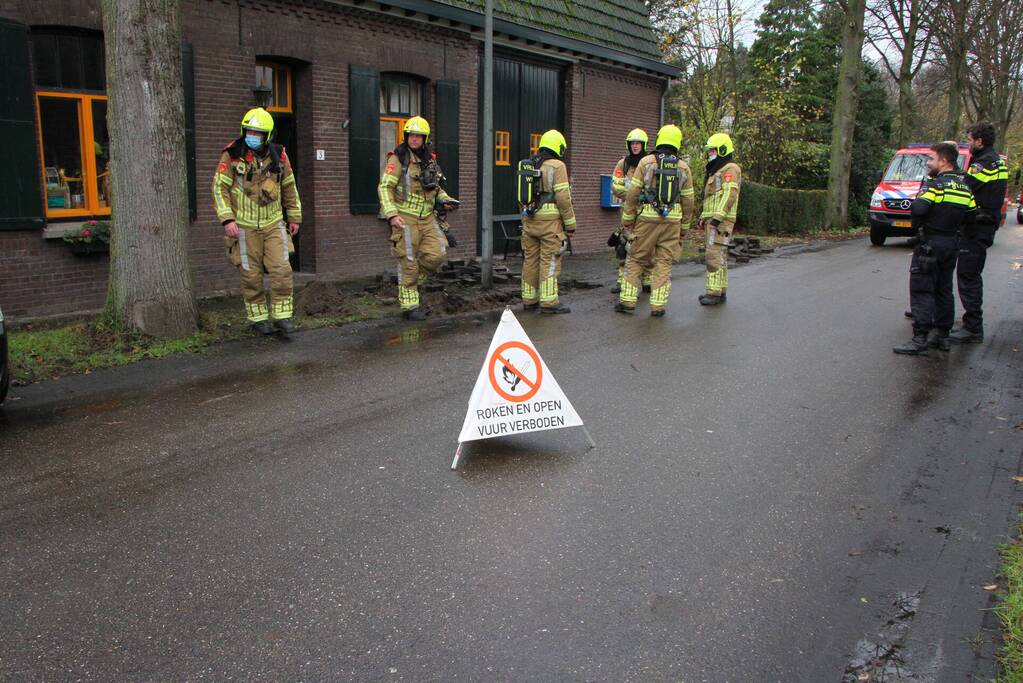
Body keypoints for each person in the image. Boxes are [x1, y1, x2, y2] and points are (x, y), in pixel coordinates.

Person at [213, 107, 302, 334]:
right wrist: (227, 220)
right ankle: (258, 320)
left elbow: (289, 187)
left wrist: (294, 216)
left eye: (258, 133)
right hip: (243, 226)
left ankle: (282, 317)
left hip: (274, 224)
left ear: (267, 136)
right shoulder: (232, 154)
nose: (252, 136)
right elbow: (219, 188)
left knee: (281, 269)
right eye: (249, 131)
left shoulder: (279, 156)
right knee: (250, 275)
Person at [894, 142, 977, 355]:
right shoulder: (964, 188)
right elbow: (972, 216)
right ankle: (942, 335)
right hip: (951, 244)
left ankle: (920, 338)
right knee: (944, 289)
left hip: (930, 244)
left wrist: (921, 220)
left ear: (944, 160)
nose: (928, 163)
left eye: (931, 159)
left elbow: (919, 208)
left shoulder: (936, 186)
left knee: (922, 289)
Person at [378, 116, 459, 321]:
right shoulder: (397, 158)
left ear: (425, 138)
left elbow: (436, 188)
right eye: (411, 135)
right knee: (409, 262)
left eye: (418, 136)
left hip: (428, 218)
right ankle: (409, 306)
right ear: (406, 136)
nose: (414, 139)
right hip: (405, 219)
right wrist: (392, 215)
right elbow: (385, 187)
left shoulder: (430, 161)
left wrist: (446, 200)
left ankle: (411, 281)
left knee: (437, 254)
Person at [615, 124, 694, 317]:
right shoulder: (683, 167)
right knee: (664, 262)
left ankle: (627, 302)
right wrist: (684, 227)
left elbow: (633, 193)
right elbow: (689, 200)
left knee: (636, 258)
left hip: (647, 217)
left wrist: (628, 219)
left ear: (659, 139)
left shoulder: (646, 162)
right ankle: (658, 306)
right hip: (673, 220)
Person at [951, 121, 1008, 343]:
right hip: (985, 224)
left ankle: (973, 326)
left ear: (979, 141)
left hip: (977, 226)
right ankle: (971, 323)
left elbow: (966, 188)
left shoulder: (983, 164)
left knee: (968, 275)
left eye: (970, 140)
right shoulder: (997, 162)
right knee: (970, 274)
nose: (968, 144)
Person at [519, 129, 576, 314]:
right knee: (550, 260)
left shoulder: (529, 164)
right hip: (550, 223)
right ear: (558, 147)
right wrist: (570, 224)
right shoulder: (557, 166)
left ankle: (529, 300)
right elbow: (563, 198)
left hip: (529, 220)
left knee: (530, 260)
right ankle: (549, 302)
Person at [698, 133, 741, 306]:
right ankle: (719, 291)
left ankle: (713, 293)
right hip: (714, 219)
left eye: (713, 150)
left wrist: (716, 218)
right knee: (719, 254)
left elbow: (730, 194)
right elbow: (712, 198)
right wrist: (704, 216)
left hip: (720, 220)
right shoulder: (718, 169)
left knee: (713, 254)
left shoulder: (730, 168)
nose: (710, 154)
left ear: (722, 150)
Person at [609, 129, 651, 294]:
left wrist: (638, 196)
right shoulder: (623, 164)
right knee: (623, 245)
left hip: (645, 212)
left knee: (646, 244)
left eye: (638, 143)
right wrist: (634, 195)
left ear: (643, 145)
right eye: (632, 143)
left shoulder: (648, 163)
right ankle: (622, 280)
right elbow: (615, 186)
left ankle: (647, 279)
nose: (635, 146)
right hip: (627, 211)